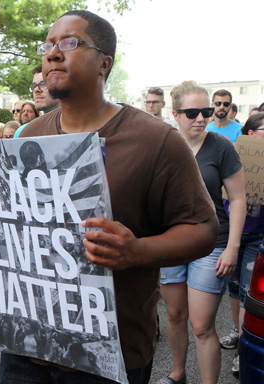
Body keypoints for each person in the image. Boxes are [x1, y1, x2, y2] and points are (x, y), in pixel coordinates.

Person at [0, 10, 218, 384]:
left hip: (108, 356)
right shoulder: (27, 137)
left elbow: (204, 229)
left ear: (105, 63)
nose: (53, 54)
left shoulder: (157, 141)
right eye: (49, 46)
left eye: (71, 43)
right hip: (27, 347)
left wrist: (136, 251)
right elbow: (9, 231)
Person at [158, 81, 245, 384]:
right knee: (174, 316)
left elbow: (237, 198)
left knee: (201, 326)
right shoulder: (163, 144)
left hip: (212, 244)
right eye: (192, 112)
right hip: (170, 244)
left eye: (206, 111)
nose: (201, 117)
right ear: (176, 113)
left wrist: (233, 247)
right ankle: (177, 373)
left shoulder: (220, 145)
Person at [219, 112, 264, 374]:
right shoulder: (233, 155)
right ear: (250, 134)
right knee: (234, 290)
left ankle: (242, 350)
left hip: (258, 236)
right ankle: (238, 331)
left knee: (250, 294)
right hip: (232, 234)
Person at [14, 64, 60, 137]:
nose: (36, 90)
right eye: (34, 85)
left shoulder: (79, 127)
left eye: (43, 83)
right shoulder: (24, 132)